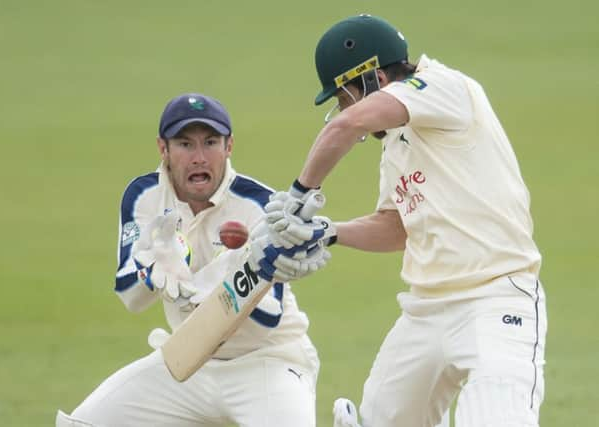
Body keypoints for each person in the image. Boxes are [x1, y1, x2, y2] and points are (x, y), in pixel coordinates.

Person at [265, 14, 547, 427]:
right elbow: (396, 227)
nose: (344, 109)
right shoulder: (396, 142)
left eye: (344, 96)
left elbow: (348, 124)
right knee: (383, 419)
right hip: (426, 310)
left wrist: (298, 196)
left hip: (497, 297)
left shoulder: (446, 87)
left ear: (374, 78)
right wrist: (328, 232)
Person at [55, 93, 326, 427]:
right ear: (163, 149)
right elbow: (130, 298)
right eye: (185, 144)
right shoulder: (144, 195)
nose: (199, 157)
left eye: (210, 142)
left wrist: (213, 281)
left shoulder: (260, 205)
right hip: (187, 360)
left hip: (266, 362)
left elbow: (266, 320)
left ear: (229, 146)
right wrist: (153, 270)